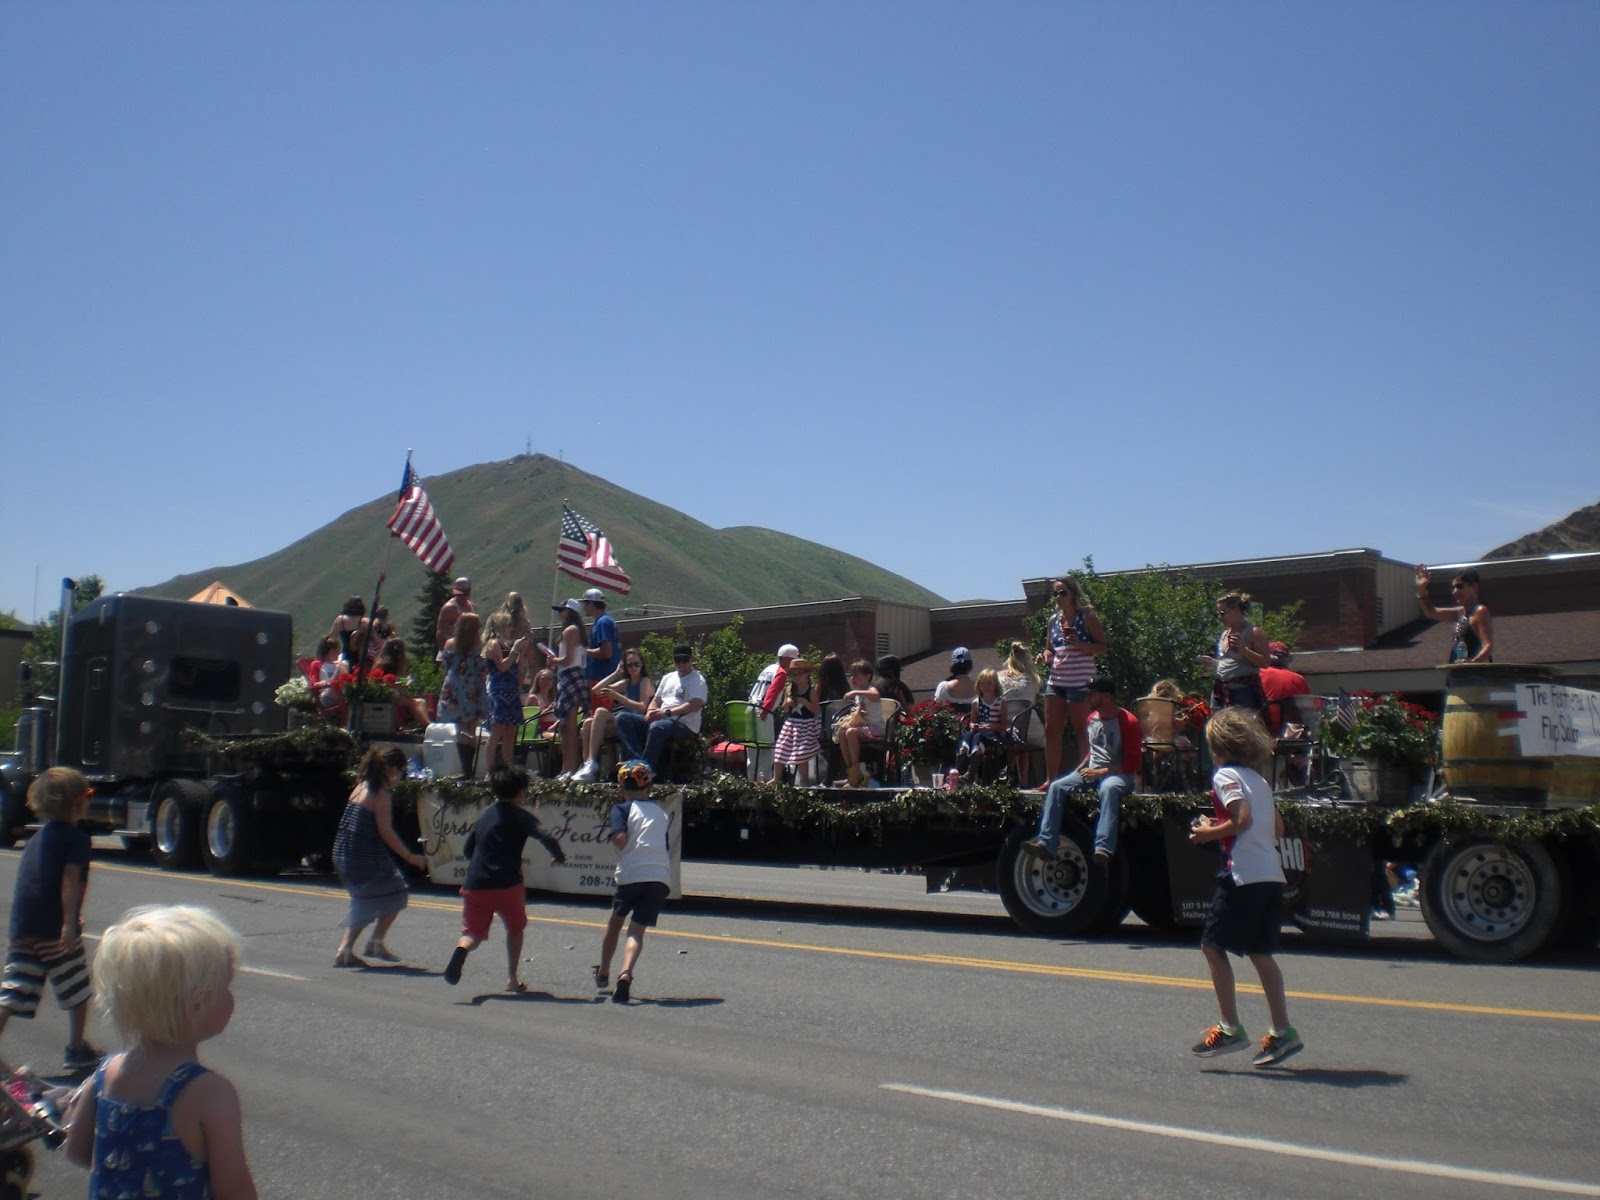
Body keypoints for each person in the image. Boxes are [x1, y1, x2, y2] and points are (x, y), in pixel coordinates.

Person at [64, 904, 256, 1200]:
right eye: (226, 988)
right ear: (196, 1004)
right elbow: (234, 1190)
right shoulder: (211, 1092)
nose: (232, 997)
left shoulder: (104, 1073)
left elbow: (77, 1150)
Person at [1188, 707, 1302, 1067]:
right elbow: (1277, 828)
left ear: (1219, 748)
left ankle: (1230, 1027)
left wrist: (1207, 833)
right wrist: (1222, 825)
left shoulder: (1224, 775)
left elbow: (1242, 820)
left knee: (1211, 945)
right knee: (1260, 952)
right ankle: (1282, 1030)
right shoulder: (1259, 780)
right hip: (1270, 875)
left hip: (1242, 875)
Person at [0, 768, 100, 1071]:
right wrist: (69, 923)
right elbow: (70, 881)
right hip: (53, 930)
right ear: (76, 804)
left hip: (23, 929)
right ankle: (76, 1048)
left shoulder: (36, 839)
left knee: (14, 990)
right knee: (77, 989)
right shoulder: (75, 840)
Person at [443, 766, 566, 992]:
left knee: (472, 933)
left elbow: (468, 849)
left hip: (477, 883)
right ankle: (512, 978)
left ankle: (462, 949)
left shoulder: (485, 815)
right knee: (515, 929)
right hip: (508, 884)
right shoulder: (521, 816)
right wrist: (559, 857)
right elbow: (546, 836)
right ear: (521, 792)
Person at [1022, 675, 1141, 863]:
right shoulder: (1091, 719)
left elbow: (1134, 763)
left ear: (1107, 696)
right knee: (1057, 786)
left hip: (1118, 774)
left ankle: (1103, 848)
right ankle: (1046, 843)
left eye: (1092, 694)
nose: (1087, 698)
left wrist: (1101, 772)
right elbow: (1095, 749)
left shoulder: (1128, 721)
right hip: (1092, 771)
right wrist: (1081, 767)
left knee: (1109, 788)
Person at [331, 746, 429, 966]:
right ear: (391, 770)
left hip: (344, 853)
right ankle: (368, 944)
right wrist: (411, 857)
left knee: (364, 899)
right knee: (396, 893)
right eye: (401, 772)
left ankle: (352, 948)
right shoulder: (381, 796)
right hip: (362, 856)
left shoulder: (361, 787)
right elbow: (386, 832)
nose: (401, 777)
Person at [592, 760, 675, 1004]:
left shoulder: (622, 809)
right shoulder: (660, 813)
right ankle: (626, 973)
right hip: (659, 877)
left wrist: (620, 839)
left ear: (620, 789)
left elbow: (619, 838)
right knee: (636, 931)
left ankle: (604, 970)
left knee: (615, 923)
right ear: (650, 788)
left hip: (631, 874)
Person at [1038, 576, 1109, 785]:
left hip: (1081, 682)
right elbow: (1050, 650)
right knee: (1051, 730)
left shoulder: (1087, 617)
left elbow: (1103, 647)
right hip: (1056, 681)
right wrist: (1044, 657)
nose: (1058, 597)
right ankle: (1051, 780)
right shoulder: (1053, 620)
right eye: (1055, 593)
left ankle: (1085, 779)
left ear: (1073, 594)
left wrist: (1081, 645)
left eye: (1063, 592)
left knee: (1082, 731)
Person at [615, 645, 707, 775]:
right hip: (661, 719)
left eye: (685, 660)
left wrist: (667, 712)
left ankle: (646, 769)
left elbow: (695, 704)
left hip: (683, 724)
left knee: (657, 726)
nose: (681, 663)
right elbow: (656, 700)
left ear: (692, 660)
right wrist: (650, 711)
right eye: (678, 660)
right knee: (623, 718)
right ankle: (635, 762)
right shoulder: (668, 678)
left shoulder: (697, 680)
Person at [571, 650, 655, 784]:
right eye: (629, 665)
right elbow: (596, 690)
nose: (633, 667)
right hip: (622, 720)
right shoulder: (625, 683)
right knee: (587, 723)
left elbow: (642, 707)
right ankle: (588, 766)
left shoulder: (645, 681)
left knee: (600, 712)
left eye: (636, 664)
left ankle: (591, 764)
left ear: (642, 665)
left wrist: (620, 698)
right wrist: (615, 674)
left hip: (635, 722)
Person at [438, 612, 491, 777]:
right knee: (471, 729)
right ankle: (469, 769)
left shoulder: (450, 644)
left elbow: (445, 666)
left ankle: (465, 769)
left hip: (456, 688)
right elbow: (485, 669)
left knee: (461, 729)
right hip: (474, 689)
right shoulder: (481, 647)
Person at [542, 599, 590, 778]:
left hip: (570, 675)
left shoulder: (570, 630)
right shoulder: (578, 631)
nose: (560, 614)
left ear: (570, 612)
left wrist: (553, 660)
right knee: (566, 725)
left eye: (562, 610)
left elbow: (568, 660)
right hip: (573, 675)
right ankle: (568, 767)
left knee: (568, 726)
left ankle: (570, 768)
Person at [1416, 565, 1494, 663]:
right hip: (1458, 670)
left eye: (1459, 586)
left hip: (1473, 671)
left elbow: (1488, 645)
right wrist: (1422, 590)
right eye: (1454, 588)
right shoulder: (1460, 612)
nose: (1454, 592)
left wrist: (1473, 662)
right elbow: (1430, 612)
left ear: (1474, 587)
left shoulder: (1480, 611)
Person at [1207, 591, 1270, 711]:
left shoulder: (1253, 632)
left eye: (1223, 613)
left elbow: (1265, 662)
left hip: (1242, 689)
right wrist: (1213, 663)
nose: (1220, 618)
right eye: (1218, 614)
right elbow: (1228, 661)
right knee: (1216, 720)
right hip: (1221, 687)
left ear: (1236, 610)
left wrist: (1244, 650)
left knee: (1241, 721)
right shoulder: (1225, 634)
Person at [483, 613, 530, 770]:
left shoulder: (510, 646)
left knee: (511, 733)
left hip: (512, 691)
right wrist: (515, 650)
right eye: (508, 625)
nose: (511, 628)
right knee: (497, 732)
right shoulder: (493, 644)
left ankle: (507, 769)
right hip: (498, 691)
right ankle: (490, 770)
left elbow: (520, 670)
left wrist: (522, 652)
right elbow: (502, 667)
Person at [835, 659, 886, 788]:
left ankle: (856, 769)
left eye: (856, 675)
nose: (853, 678)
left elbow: (875, 695)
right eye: (852, 675)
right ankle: (851, 771)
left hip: (876, 728)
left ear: (867, 676)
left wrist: (854, 692)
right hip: (863, 728)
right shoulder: (859, 695)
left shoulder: (869, 689)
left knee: (851, 732)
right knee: (841, 732)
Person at [771, 658, 821, 786]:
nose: (797, 677)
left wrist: (805, 703)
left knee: (801, 752)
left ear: (807, 674)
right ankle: (776, 778)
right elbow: (785, 709)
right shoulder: (789, 689)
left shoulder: (811, 691)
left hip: (807, 725)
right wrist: (787, 703)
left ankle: (804, 780)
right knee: (780, 748)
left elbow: (816, 710)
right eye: (794, 674)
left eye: (800, 673)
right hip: (791, 724)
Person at [997, 641, 1041, 787]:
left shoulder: (997, 677)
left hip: (1003, 726)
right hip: (1028, 727)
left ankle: (1007, 773)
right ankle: (1024, 782)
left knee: (1014, 738)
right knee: (1022, 740)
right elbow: (1033, 701)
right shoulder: (1032, 678)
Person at [953, 668, 1003, 781]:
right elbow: (972, 722)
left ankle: (971, 772)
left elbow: (1003, 724)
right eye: (983, 684)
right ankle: (963, 755)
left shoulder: (1001, 702)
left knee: (978, 736)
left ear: (995, 685)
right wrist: (975, 726)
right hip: (980, 731)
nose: (986, 687)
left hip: (993, 734)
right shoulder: (976, 702)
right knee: (969, 735)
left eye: (989, 683)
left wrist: (991, 727)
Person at [375, 637, 431, 729]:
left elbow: (398, 680)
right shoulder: (384, 665)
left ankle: (424, 725)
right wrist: (400, 683)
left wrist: (405, 681)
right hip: (386, 696)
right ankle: (428, 726)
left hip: (392, 694)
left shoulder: (385, 664)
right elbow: (379, 683)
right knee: (417, 702)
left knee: (419, 701)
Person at [1258, 642, 1311, 736]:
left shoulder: (1258, 674)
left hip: (1263, 729)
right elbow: (1311, 705)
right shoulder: (1298, 679)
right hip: (1292, 733)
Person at [493, 592, 535, 687]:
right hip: (517, 661)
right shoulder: (525, 623)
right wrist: (532, 669)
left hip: (505, 660)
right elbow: (529, 649)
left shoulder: (499, 620)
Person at [582, 588, 620, 689]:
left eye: (585, 603)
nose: (584, 607)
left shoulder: (603, 622)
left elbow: (606, 653)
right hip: (602, 677)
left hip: (602, 678)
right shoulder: (603, 621)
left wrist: (583, 652)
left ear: (591, 603)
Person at [435, 576, 475, 654]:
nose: (462, 595)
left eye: (465, 592)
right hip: (453, 650)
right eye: (459, 592)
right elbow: (441, 632)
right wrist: (443, 653)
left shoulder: (471, 606)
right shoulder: (449, 608)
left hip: (470, 649)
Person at [328, 596, 367, 666]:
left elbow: (331, 639)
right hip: (363, 656)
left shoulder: (341, 620)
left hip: (347, 655)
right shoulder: (364, 622)